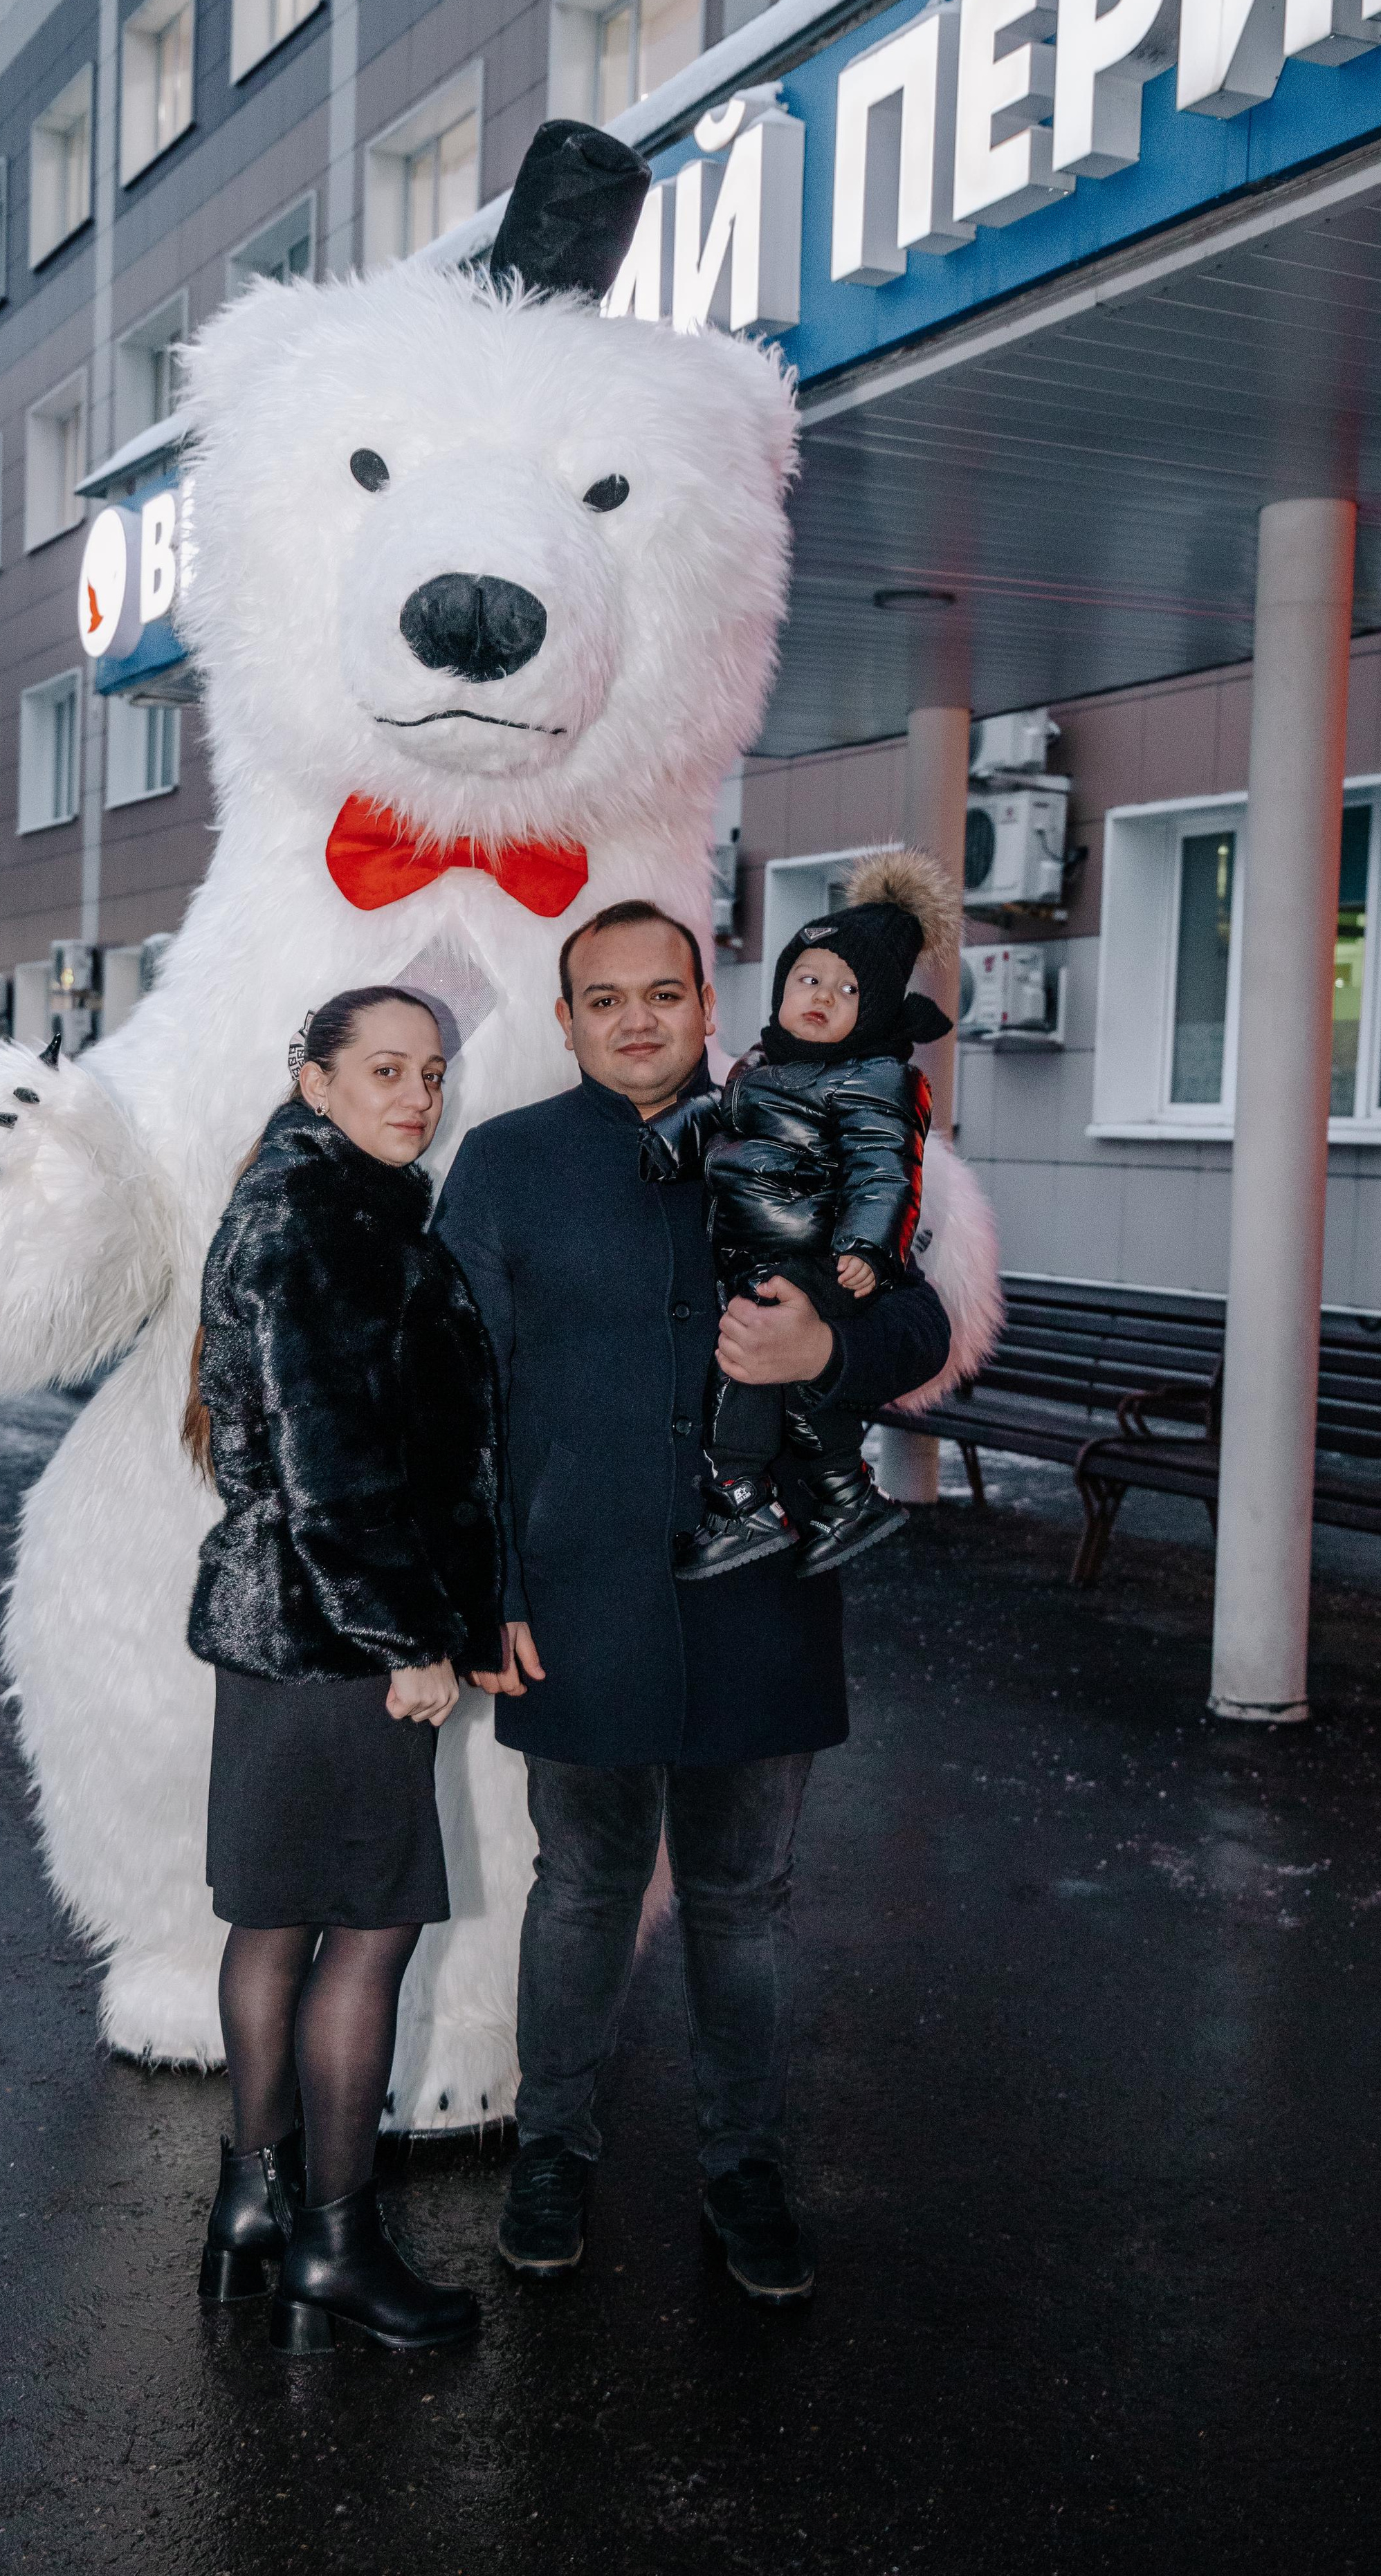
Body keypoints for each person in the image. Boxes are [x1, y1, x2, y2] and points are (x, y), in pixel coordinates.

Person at [434, 902, 951, 2303]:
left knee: (740, 1902)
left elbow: (921, 1321)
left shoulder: (800, 1118)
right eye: (603, 1000)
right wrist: (482, 1595)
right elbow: (452, 1397)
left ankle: (744, 2169)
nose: (637, 1020)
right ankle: (553, 2153)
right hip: (575, 1595)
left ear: (703, 1001)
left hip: (758, 1590)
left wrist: (824, 1344)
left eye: (661, 992)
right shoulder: (502, 1167)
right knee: (582, 1891)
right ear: (567, 1020)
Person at [183, 986, 504, 2355]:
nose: (415, 1097)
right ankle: (333, 2242)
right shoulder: (330, 1218)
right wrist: (410, 1639)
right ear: (310, 1078)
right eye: (383, 1070)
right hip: (336, 1640)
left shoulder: (306, 1196)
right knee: (363, 1932)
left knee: (275, 1922)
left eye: (430, 1073)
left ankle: (249, 2214)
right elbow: (336, 1470)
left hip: (278, 1635)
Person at [640, 846, 956, 1584]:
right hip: (762, 1254)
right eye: (805, 979)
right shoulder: (762, 1069)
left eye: (844, 990)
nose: (818, 995)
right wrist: (668, 1138)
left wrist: (868, 1249)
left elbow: (886, 1169)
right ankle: (843, 1495)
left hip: (809, 1257)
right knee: (779, 1381)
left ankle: (743, 1496)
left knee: (745, 1369)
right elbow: (719, 1113)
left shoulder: (876, 1079)